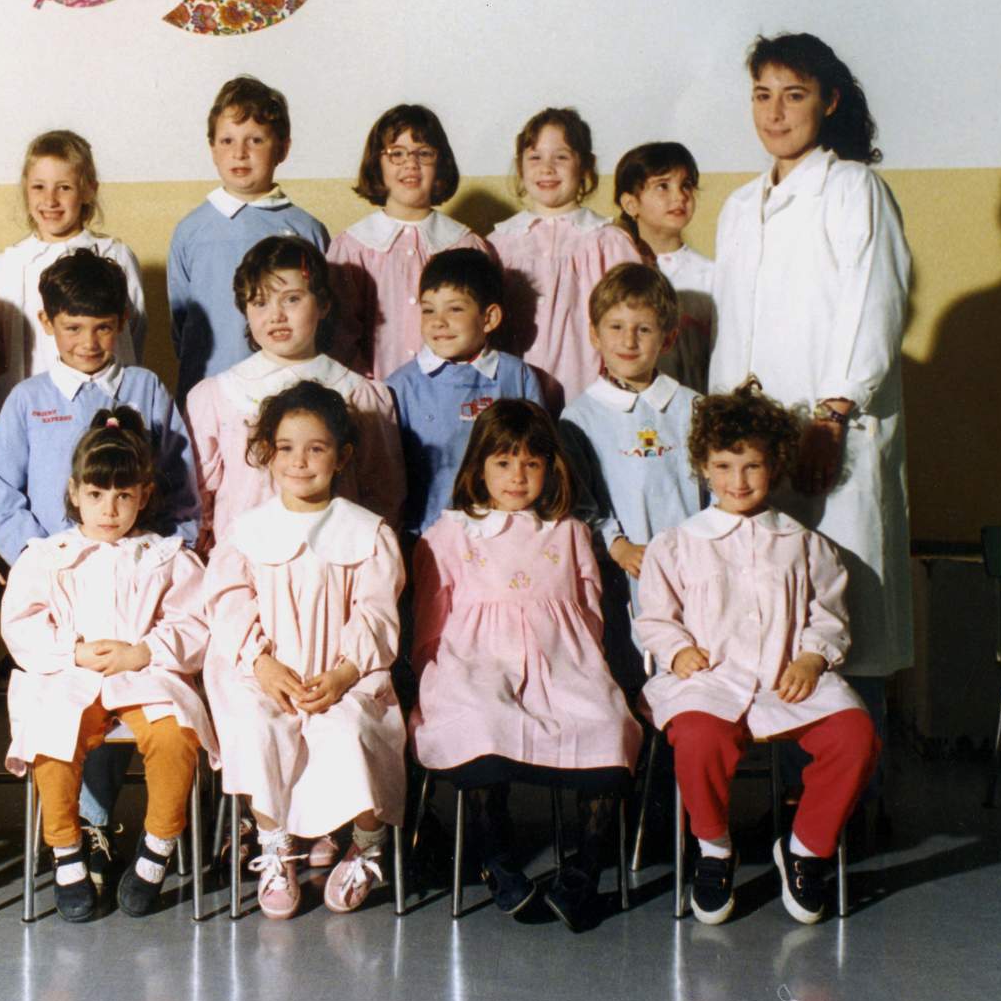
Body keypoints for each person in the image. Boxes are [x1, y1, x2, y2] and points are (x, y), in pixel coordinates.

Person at [709, 32, 914, 726]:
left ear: (829, 102)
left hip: (833, 436)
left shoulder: (854, 188)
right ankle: (791, 779)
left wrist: (832, 417)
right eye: (761, 95)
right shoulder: (740, 206)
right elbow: (733, 332)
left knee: (843, 615)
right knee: (767, 617)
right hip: (753, 447)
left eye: (793, 95)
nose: (774, 112)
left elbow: (875, 308)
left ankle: (855, 782)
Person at [0, 249, 199, 879]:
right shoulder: (28, 399)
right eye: (72, 327)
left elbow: (180, 483)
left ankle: (107, 825)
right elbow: (2, 492)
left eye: (103, 327)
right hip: (62, 591)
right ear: (47, 324)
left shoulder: (146, 388)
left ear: (123, 323)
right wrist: (43, 561)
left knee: (136, 688)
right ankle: (78, 834)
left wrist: (163, 554)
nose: (88, 342)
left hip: (135, 585)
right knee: (71, 698)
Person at [637, 380, 880, 925]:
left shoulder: (804, 544)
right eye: (724, 466)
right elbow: (654, 617)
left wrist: (812, 657)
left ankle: (806, 849)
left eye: (752, 466)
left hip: (785, 679)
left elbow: (829, 615)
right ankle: (714, 849)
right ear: (703, 467)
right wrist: (677, 651)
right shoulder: (678, 544)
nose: (738, 480)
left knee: (855, 735)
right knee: (697, 737)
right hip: (709, 680)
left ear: (775, 466)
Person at [410, 399, 640, 932]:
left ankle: (584, 870)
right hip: (477, 662)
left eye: (531, 463)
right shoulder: (450, 533)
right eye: (503, 462)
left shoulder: (568, 532)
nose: (517, 476)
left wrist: (581, 666)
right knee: (480, 719)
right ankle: (496, 859)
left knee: (608, 722)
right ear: (478, 469)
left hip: (563, 661)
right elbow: (431, 621)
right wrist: (434, 675)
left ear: (550, 469)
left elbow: (589, 611)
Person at [2, 409, 215, 921]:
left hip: (147, 673)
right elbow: (21, 623)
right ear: (74, 493)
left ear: (144, 495)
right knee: (52, 734)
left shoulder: (164, 556)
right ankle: (66, 850)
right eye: (96, 495)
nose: (109, 509)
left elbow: (195, 622)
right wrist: (70, 651)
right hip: (69, 674)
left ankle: (157, 848)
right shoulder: (48, 556)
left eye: (123, 496)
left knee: (174, 735)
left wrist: (144, 651)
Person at [204, 381, 407, 917]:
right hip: (266, 672)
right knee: (257, 726)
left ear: (342, 457)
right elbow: (228, 603)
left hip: (345, 672)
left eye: (316, 449)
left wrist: (343, 674)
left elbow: (376, 612)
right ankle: (276, 847)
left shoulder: (367, 532)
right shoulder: (246, 531)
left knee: (352, 730)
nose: (299, 461)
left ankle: (366, 846)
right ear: (267, 454)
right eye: (286, 448)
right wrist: (262, 663)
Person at [186, 236, 404, 547]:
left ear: (323, 304)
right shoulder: (217, 396)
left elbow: (384, 494)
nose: (276, 315)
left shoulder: (359, 394)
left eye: (291, 299)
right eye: (260, 303)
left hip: (336, 556)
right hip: (246, 557)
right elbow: (198, 496)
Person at [558, 262, 702, 685]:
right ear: (594, 334)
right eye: (616, 327)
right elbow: (581, 497)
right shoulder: (580, 416)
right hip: (624, 567)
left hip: (693, 564)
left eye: (644, 329)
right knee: (633, 670)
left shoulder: (693, 407)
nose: (628, 341)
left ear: (668, 338)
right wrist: (616, 544)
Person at [167, 76, 330, 399]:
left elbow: (325, 322)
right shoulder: (191, 230)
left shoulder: (307, 230)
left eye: (255, 140)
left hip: (291, 391)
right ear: (212, 149)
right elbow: (181, 324)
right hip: (212, 391)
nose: (240, 153)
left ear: (282, 148)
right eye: (227, 141)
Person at [486, 108, 642, 410]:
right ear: (520, 167)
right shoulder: (499, 244)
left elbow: (632, 319)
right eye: (535, 157)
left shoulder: (608, 242)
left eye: (561, 157)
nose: (547, 168)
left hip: (587, 396)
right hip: (512, 399)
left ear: (585, 166)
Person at [386, 247, 544, 541]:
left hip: (506, 535)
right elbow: (390, 479)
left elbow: (539, 457)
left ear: (489, 318)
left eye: (455, 309)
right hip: (428, 537)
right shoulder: (401, 386)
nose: (438, 321)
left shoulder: (516, 376)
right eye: (428, 310)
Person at [0, 130, 148, 411]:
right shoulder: (7, 265)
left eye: (64, 188)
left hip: (105, 406)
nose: (50, 200)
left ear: (88, 190)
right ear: (25, 189)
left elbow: (133, 328)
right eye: (39, 187)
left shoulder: (115, 255)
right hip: (34, 408)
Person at [327, 103, 492, 380]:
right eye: (397, 153)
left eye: (423, 153)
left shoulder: (466, 244)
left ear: (440, 164)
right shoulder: (352, 247)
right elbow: (339, 336)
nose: (410, 164)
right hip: (373, 392)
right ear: (377, 164)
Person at [612, 141, 714, 391]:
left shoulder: (710, 275)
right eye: (663, 186)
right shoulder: (615, 268)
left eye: (686, 185)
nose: (680, 196)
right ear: (631, 204)